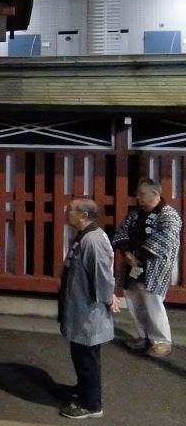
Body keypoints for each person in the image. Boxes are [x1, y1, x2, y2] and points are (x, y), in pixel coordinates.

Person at [59, 198, 120, 420]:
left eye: (70, 210)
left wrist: (108, 297)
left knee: (87, 358)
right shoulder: (85, 236)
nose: (67, 213)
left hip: (89, 312)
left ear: (84, 215)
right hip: (81, 308)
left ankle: (91, 404)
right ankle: (83, 389)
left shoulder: (93, 240)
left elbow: (101, 275)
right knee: (81, 354)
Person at [113, 178, 182, 357]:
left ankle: (161, 341)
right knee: (133, 300)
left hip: (154, 266)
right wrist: (126, 253)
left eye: (142, 194)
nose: (138, 197)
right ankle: (142, 336)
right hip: (131, 264)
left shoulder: (169, 215)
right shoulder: (135, 213)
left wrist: (137, 256)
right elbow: (121, 232)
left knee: (153, 302)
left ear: (155, 193)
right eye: (138, 194)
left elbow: (165, 239)